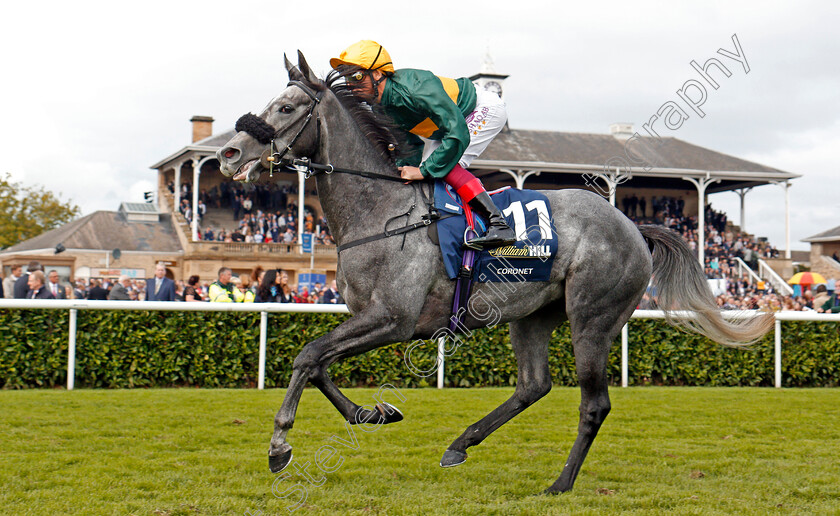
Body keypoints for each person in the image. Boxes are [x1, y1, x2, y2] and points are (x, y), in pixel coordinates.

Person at [330, 40, 515, 250]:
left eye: (357, 76)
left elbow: (457, 132)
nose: (350, 85)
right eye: (347, 78)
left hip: (480, 109)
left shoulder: (416, 87)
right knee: (428, 169)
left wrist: (424, 170)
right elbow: (410, 145)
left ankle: (498, 223)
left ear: (378, 74)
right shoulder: (380, 106)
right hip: (446, 125)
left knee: (445, 166)